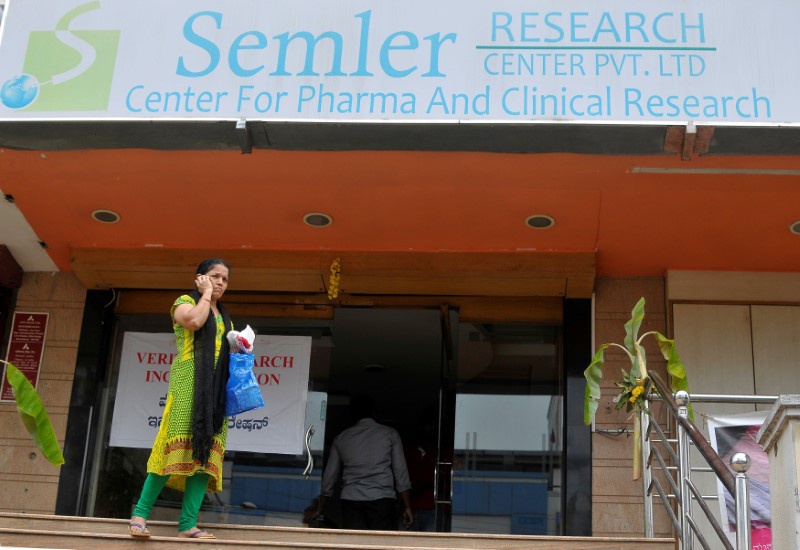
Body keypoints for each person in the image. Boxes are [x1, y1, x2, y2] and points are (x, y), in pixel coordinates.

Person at [128, 258, 234, 539]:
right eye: (215, 276)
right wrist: (206, 295)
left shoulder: (225, 315)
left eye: (225, 278)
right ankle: (139, 515)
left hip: (216, 393)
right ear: (200, 278)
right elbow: (196, 321)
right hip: (188, 384)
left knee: (205, 457)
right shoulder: (185, 302)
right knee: (169, 450)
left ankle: (188, 524)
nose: (220, 282)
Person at [312, 394, 413, 531]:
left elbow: (330, 476)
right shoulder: (390, 434)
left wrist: (320, 508)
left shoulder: (341, 438)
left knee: (356, 543)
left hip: (351, 500)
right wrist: (407, 507)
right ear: (373, 412)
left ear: (353, 415)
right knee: (381, 544)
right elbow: (400, 472)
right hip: (382, 499)